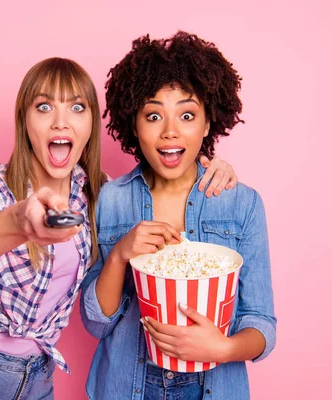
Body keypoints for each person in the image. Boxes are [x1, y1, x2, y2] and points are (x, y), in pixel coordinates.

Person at [0, 57, 237, 400]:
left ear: (92, 121)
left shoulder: (97, 193)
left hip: (37, 377)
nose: (61, 122)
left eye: (77, 107)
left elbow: (160, 178)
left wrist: (213, 168)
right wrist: (16, 223)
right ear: (24, 120)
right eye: (44, 107)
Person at [80, 31, 276, 400]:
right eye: (153, 115)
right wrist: (121, 253)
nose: (170, 131)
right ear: (134, 126)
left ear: (207, 123)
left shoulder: (241, 204)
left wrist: (224, 349)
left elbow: (261, 322)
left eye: (187, 115)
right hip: (125, 387)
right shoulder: (109, 200)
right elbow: (95, 322)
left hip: (215, 387)